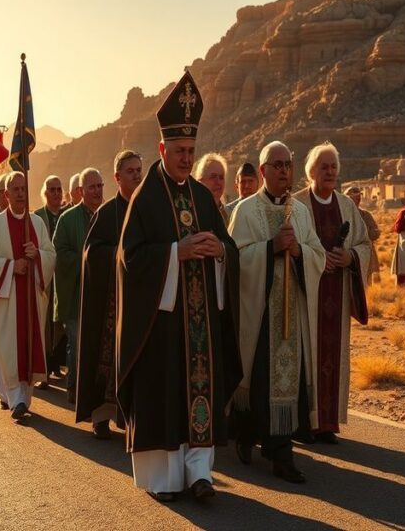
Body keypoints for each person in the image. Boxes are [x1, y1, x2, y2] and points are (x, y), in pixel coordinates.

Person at [116, 71, 241, 502]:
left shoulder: (205, 199)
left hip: (201, 323)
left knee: (199, 390)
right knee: (164, 394)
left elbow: (229, 247)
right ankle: (164, 479)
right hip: (162, 325)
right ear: (162, 148)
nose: (187, 159)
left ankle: (200, 473)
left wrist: (219, 254)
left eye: (192, 151)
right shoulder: (145, 197)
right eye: (180, 151)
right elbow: (130, 258)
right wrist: (175, 253)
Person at [230, 140, 325, 484]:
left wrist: (299, 252)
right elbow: (235, 258)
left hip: (290, 318)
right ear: (263, 170)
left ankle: (280, 452)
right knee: (257, 382)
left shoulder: (299, 212)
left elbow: (319, 254)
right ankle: (245, 434)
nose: (285, 170)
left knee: (287, 382)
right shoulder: (246, 211)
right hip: (259, 315)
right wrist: (271, 248)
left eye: (288, 164)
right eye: (277, 164)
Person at [292, 142, 370, 445]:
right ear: (311, 171)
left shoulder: (347, 206)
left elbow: (364, 244)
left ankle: (326, 423)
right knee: (305, 355)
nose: (330, 171)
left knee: (330, 357)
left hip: (336, 296)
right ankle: (303, 422)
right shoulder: (296, 204)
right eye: (323, 166)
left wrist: (350, 257)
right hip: (305, 297)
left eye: (333, 166)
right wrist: (314, 260)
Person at [0, 171, 56, 421]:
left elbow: (51, 255)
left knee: (27, 347)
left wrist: (38, 255)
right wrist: (10, 266)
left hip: (30, 299)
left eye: (23, 189)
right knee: (7, 350)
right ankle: (13, 398)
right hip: (5, 301)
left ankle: (21, 398)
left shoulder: (37, 224)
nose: (21, 194)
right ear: (6, 195)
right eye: (15, 190)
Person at [76, 150, 142, 440]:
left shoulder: (147, 209)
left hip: (139, 301)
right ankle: (101, 415)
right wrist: (116, 254)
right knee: (106, 357)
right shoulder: (105, 213)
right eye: (130, 171)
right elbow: (90, 254)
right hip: (109, 305)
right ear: (117, 177)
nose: (137, 175)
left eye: (139, 170)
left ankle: (131, 416)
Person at [53, 168, 104, 403]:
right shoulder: (68, 219)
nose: (97, 191)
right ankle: (74, 389)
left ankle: (97, 393)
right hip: (75, 294)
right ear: (81, 191)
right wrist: (86, 261)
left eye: (100, 186)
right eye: (92, 187)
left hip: (102, 295)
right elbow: (59, 253)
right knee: (77, 343)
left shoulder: (109, 214)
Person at [34, 175, 67, 386]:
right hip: (43, 278)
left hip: (63, 277)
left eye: (58, 189)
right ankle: (43, 370)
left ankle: (56, 363)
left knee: (61, 323)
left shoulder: (67, 216)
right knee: (44, 324)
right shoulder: (37, 218)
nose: (56, 193)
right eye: (52, 190)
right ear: (45, 194)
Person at [347, 186, 381, 284]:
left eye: (359, 196)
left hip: (366, 254)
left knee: (366, 283)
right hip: (349, 255)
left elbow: (376, 232)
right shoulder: (342, 214)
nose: (358, 199)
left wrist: (368, 233)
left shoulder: (366, 215)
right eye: (354, 197)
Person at [193, 153, 229, 223]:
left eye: (221, 177)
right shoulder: (193, 212)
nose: (218, 182)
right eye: (213, 177)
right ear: (200, 181)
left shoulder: (228, 214)